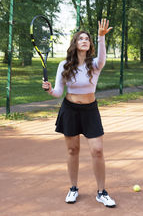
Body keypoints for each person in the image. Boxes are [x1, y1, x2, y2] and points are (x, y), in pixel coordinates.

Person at [42, 18, 116, 208]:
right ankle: (73, 188)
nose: (84, 41)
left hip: (90, 110)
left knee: (97, 150)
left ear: (90, 44)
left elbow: (102, 56)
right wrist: (50, 90)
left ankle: (101, 192)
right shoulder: (64, 65)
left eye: (87, 39)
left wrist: (101, 38)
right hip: (70, 110)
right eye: (80, 38)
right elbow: (59, 92)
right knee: (72, 150)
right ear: (75, 43)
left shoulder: (95, 64)